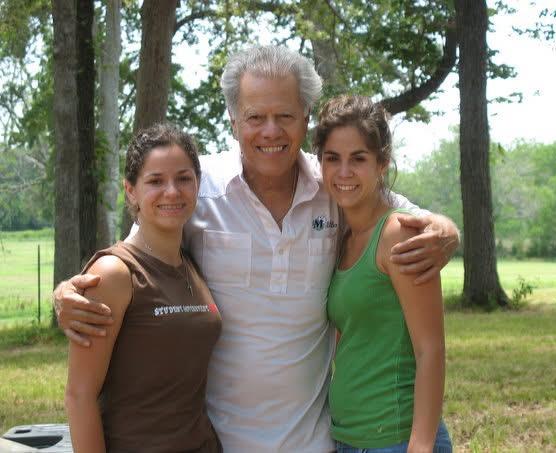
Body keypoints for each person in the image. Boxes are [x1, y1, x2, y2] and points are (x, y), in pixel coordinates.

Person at [54, 46, 459, 452]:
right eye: (255, 117)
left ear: (305, 118)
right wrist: (68, 291)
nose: (271, 131)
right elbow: (137, 257)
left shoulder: (335, 182)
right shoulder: (194, 187)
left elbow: (406, 216)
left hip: (315, 441)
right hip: (218, 441)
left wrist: (447, 229)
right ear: (233, 121)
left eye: (284, 116)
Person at [64, 124, 222, 452]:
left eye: (183, 178)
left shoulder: (192, 263)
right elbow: (79, 395)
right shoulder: (114, 274)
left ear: (197, 184)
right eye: (155, 181)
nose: (172, 191)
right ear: (131, 191)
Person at [314, 95, 452, 452]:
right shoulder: (341, 236)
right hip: (348, 438)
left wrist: (420, 445)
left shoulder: (397, 234)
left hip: (395, 438)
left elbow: (431, 349)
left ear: (382, 163)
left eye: (358, 158)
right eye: (333, 159)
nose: (344, 172)